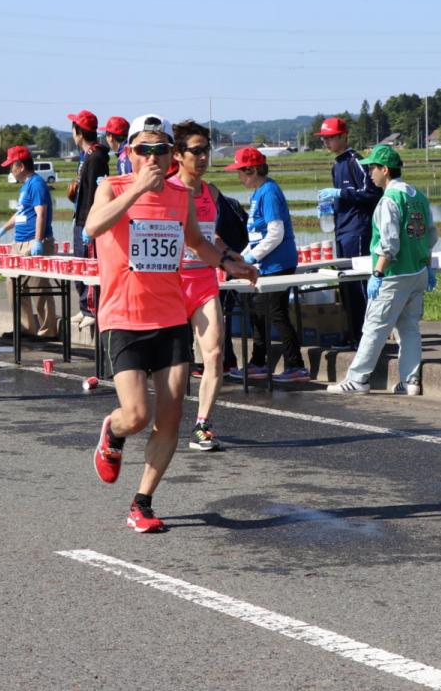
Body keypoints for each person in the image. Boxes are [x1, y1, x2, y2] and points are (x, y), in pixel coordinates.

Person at [86, 114, 257, 533]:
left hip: (169, 315)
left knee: (171, 416)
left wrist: (232, 265)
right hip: (124, 316)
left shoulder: (180, 197)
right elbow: (93, 226)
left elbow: (197, 242)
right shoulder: (112, 186)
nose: (153, 156)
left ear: (170, 155)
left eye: (160, 149)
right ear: (129, 154)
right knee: (138, 415)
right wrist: (138, 189)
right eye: (143, 149)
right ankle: (114, 429)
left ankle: (141, 502)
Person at [327, 145, 435, 395]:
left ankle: (357, 379)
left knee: (374, 326)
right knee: (409, 328)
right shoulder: (417, 195)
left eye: (373, 168)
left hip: (394, 274)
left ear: (385, 170)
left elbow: (389, 243)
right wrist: (428, 267)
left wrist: (377, 273)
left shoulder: (389, 200)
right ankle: (410, 381)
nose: (370, 173)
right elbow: (430, 235)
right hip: (417, 271)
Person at [227, 146, 309, 383]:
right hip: (265, 264)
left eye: (240, 172)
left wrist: (251, 259)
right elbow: (257, 236)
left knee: (276, 313)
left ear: (251, 170)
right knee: (258, 312)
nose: (238, 177)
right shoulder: (260, 192)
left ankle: (296, 365)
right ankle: (259, 362)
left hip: (277, 264)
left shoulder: (269, 192)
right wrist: (240, 258)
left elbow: (275, 233)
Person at [169, 120, 227, 450]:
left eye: (207, 150)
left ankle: (202, 424)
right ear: (177, 155)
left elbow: (212, 236)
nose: (203, 157)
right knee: (173, 365)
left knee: (214, 354)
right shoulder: (167, 189)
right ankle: (164, 418)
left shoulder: (212, 192)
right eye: (196, 151)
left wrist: (229, 256)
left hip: (204, 281)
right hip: (173, 285)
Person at [316, 116, 381, 349]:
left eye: (331, 137)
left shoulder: (356, 161)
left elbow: (373, 194)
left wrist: (340, 194)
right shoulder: (337, 164)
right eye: (324, 138)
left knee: (359, 286)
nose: (327, 142)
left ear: (344, 136)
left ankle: (367, 339)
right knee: (345, 285)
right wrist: (329, 206)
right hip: (342, 230)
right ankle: (353, 335)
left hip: (358, 230)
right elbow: (344, 197)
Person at [0, 145, 58, 340]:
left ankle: (48, 331)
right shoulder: (25, 186)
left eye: (11, 166)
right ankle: (25, 327)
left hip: (34, 242)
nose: (10, 170)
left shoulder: (36, 183)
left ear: (20, 166)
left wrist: (38, 241)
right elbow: (21, 213)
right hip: (19, 243)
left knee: (38, 287)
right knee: (15, 285)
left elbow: (41, 213)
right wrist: (2, 230)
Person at [67, 109, 110, 328]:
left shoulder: (96, 157)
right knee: (80, 265)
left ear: (79, 132)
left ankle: (92, 309)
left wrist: (92, 221)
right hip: (81, 217)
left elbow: (97, 193)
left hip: (89, 221)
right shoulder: (86, 156)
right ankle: (84, 307)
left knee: (90, 265)